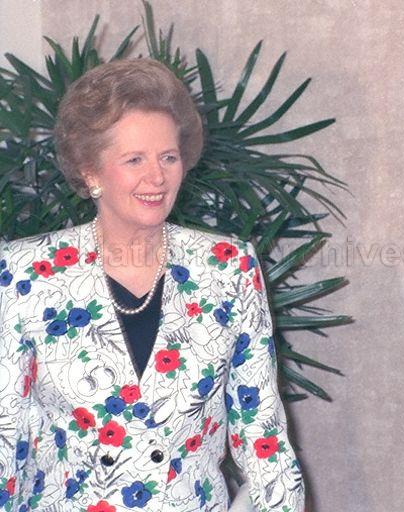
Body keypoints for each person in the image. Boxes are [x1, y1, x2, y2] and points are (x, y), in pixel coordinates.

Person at [0, 59, 304, 512]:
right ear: (91, 172)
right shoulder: (26, 273)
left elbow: (264, 440)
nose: (157, 177)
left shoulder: (228, 268)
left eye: (168, 157)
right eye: (134, 159)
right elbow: (7, 435)